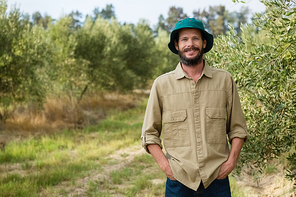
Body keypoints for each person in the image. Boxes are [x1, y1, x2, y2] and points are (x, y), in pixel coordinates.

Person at [141, 18, 249, 197]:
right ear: (176, 45)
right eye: (184, 39)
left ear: (204, 43)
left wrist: (231, 163)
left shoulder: (224, 81)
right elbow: (149, 134)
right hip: (179, 181)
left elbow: (238, 129)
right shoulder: (162, 85)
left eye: (195, 39)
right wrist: (167, 168)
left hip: (217, 180)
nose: (190, 44)